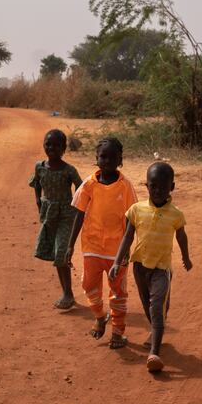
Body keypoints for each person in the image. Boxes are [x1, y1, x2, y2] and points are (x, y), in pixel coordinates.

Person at [110, 161, 192, 373]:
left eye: (162, 187)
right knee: (148, 305)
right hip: (139, 266)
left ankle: (154, 352)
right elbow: (127, 237)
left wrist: (186, 258)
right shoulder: (136, 210)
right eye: (153, 186)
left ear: (171, 188)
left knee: (156, 307)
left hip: (161, 269)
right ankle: (157, 327)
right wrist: (117, 262)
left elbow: (182, 237)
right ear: (146, 185)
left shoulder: (176, 214)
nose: (157, 191)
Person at [69, 137, 138, 349]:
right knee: (89, 285)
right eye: (102, 156)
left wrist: (126, 250)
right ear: (96, 159)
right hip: (91, 247)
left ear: (120, 160)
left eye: (111, 157)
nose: (106, 161)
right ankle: (99, 315)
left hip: (116, 251)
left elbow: (131, 220)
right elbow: (79, 214)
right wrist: (70, 246)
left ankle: (117, 331)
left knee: (117, 291)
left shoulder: (125, 186)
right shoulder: (88, 184)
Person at [30, 129, 84, 310]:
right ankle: (66, 293)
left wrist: (77, 206)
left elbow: (82, 187)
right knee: (56, 254)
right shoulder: (40, 166)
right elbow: (36, 183)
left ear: (63, 149)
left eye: (56, 145)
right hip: (49, 214)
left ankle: (68, 295)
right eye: (48, 144)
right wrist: (38, 200)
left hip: (66, 215)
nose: (51, 148)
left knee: (61, 252)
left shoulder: (69, 170)